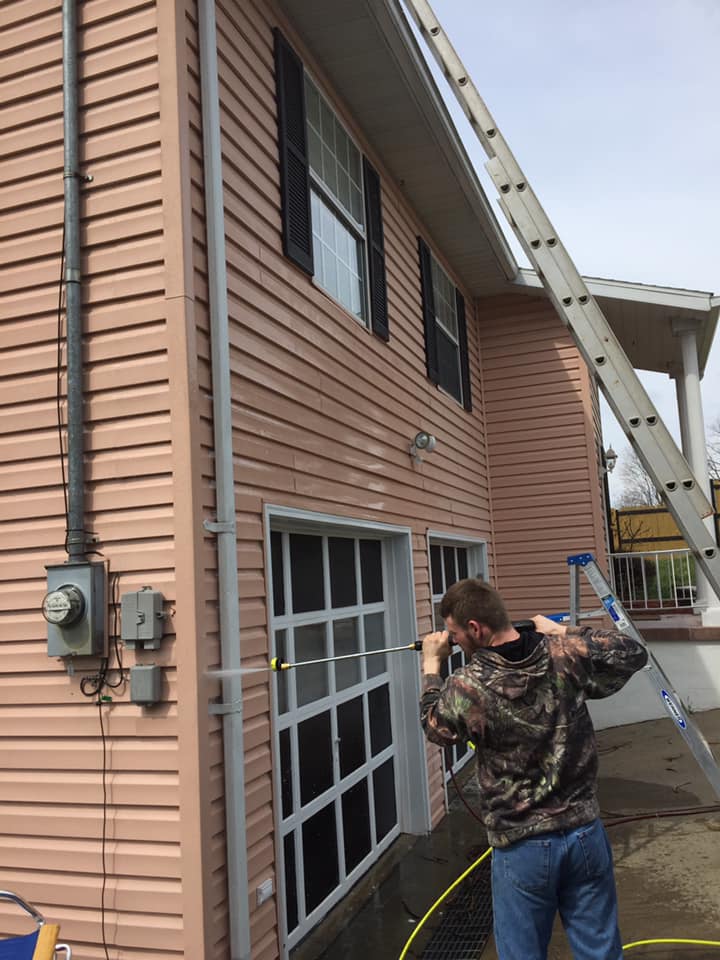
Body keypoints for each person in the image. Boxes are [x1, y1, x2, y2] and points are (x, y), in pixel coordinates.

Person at [420, 577, 648, 960]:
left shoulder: (467, 685)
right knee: (600, 951)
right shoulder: (565, 654)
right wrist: (563, 631)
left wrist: (431, 667)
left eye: (455, 634)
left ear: (476, 628)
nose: (453, 641)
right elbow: (633, 652)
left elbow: (436, 728)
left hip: (522, 847)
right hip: (584, 834)